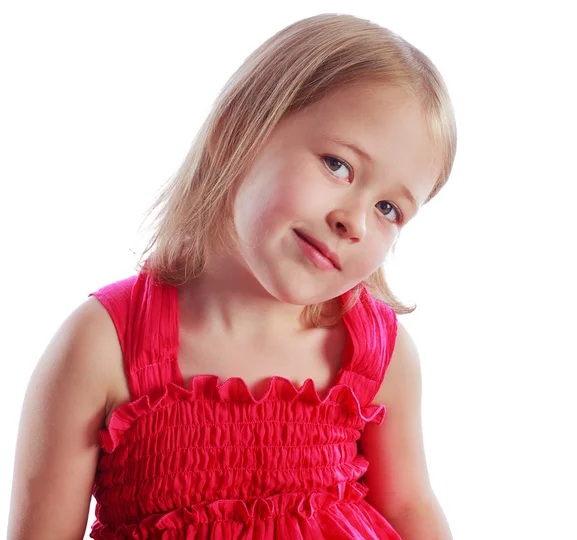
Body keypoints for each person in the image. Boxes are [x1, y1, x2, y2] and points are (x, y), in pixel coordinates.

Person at [8, 12, 456, 540]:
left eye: (388, 209)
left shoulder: (377, 355)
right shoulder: (102, 344)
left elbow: (409, 509)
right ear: (236, 133)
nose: (354, 221)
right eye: (338, 165)